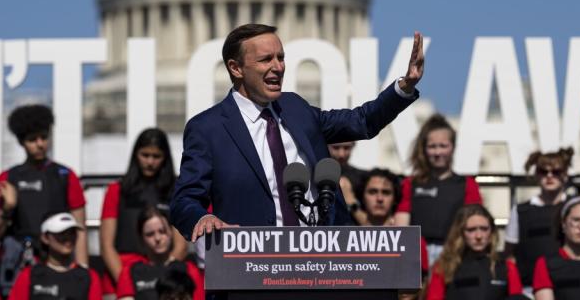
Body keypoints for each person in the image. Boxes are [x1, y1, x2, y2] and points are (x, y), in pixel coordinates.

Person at [170, 24, 425, 240]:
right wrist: (202, 218)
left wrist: (404, 86)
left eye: (281, 58)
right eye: (265, 59)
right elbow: (184, 200)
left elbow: (361, 121)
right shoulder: (208, 129)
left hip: (321, 264)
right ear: (236, 68)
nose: (278, 67)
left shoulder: (295, 108)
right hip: (253, 271)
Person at [0, 104, 88, 293]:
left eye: (44, 137)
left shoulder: (66, 176)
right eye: (33, 139)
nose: (40, 144)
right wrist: (7, 209)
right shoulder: (7, 179)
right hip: (18, 271)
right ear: (21, 142)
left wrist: (83, 271)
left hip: (60, 268)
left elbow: (80, 230)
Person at [100, 129, 186, 294]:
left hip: (165, 281)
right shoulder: (116, 190)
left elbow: (180, 246)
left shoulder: (176, 191)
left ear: (165, 157)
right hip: (120, 276)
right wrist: (130, 284)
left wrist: (161, 281)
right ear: (135, 155)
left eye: (156, 156)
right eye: (145, 155)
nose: (150, 161)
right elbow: (106, 246)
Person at [394, 114, 482, 266]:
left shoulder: (467, 184)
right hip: (416, 255)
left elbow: (475, 224)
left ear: (453, 147)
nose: (438, 152)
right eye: (432, 146)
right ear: (424, 149)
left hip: (453, 255)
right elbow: (401, 229)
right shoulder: (410, 183)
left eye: (443, 146)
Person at [505, 148, 573, 293]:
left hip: (567, 286)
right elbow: (509, 254)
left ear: (565, 174)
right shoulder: (521, 211)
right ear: (536, 174)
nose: (549, 176)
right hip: (529, 287)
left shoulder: (575, 208)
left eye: (556, 172)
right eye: (543, 171)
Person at [425, 204, 523, 300]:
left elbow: (517, 296)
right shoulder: (444, 266)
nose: (478, 236)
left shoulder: (507, 266)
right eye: (471, 230)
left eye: (484, 229)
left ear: (492, 231)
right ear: (460, 232)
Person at [355, 169, 428, 287]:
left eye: (386, 192)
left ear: (395, 199)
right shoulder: (346, 239)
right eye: (372, 192)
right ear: (362, 196)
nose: (379, 198)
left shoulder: (413, 243)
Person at [8, 212, 101, 300]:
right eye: (61, 233)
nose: (68, 239)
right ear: (45, 237)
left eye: (72, 233)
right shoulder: (29, 275)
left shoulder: (89, 277)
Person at [116, 208, 204, 300]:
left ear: (171, 232)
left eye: (162, 231)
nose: (157, 238)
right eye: (150, 234)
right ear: (141, 238)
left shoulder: (189, 270)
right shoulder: (130, 272)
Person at [331, 141, 368, 222]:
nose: (341, 154)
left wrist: (350, 200)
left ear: (353, 146)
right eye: (336, 148)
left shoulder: (365, 178)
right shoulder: (314, 175)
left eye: (346, 148)